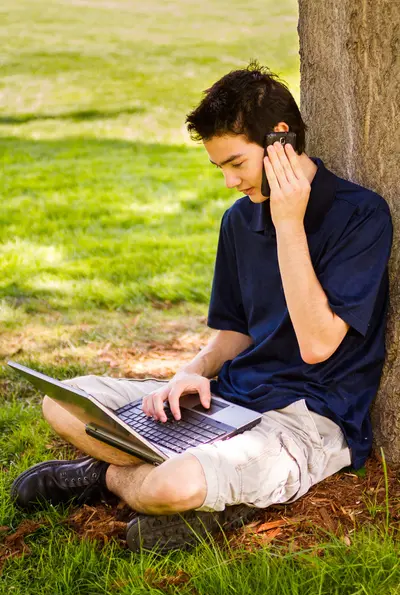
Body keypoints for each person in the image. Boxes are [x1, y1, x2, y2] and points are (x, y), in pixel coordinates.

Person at [11, 61, 393, 553]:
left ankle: (107, 476)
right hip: (228, 401)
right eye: (221, 169)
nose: (230, 182)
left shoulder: (361, 215)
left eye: (236, 164)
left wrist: (289, 223)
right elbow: (236, 331)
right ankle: (194, 486)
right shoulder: (239, 221)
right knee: (62, 401)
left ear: (282, 140)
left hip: (308, 419)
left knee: (172, 486)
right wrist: (189, 373)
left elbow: (319, 345)